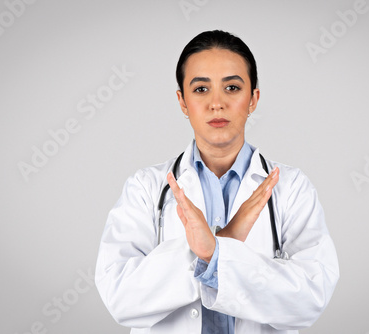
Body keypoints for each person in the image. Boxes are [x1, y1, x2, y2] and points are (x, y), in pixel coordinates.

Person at [95, 30, 339, 334]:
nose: (217, 104)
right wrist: (221, 245)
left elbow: (310, 297)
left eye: (232, 87)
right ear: (183, 102)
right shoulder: (145, 188)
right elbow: (120, 297)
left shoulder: (291, 189)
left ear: (253, 99)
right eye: (200, 90)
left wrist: (215, 253)